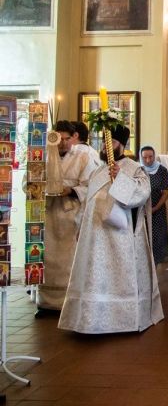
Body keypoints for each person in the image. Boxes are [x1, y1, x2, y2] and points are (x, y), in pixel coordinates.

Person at [59, 125, 163, 333]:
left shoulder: (134, 168)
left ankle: (123, 320)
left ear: (122, 145)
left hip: (120, 238)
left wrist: (121, 178)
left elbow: (142, 194)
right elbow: (88, 196)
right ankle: (91, 320)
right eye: (105, 143)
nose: (107, 148)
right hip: (94, 237)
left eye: (112, 143)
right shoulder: (98, 169)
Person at [37, 120, 99, 318]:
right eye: (58, 139)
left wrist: (70, 190)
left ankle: (68, 302)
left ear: (73, 138)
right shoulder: (43, 156)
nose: (62, 143)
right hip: (48, 212)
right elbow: (28, 181)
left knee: (68, 259)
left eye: (66, 139)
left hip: (70, 213)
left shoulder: (83, 156)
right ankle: (45, 303)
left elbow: (92, 185)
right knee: (46, 256)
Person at [140, 146, 168, 265]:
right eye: (145, 157)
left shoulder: (161, 170)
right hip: (141, 212)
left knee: (157, 240)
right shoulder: (139, 170)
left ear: (154, 156)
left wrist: (155, 208)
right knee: (144, 240)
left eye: (150, 157)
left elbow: (165, 192)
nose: (148, 160)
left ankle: (156, 267)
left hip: (157, 211)